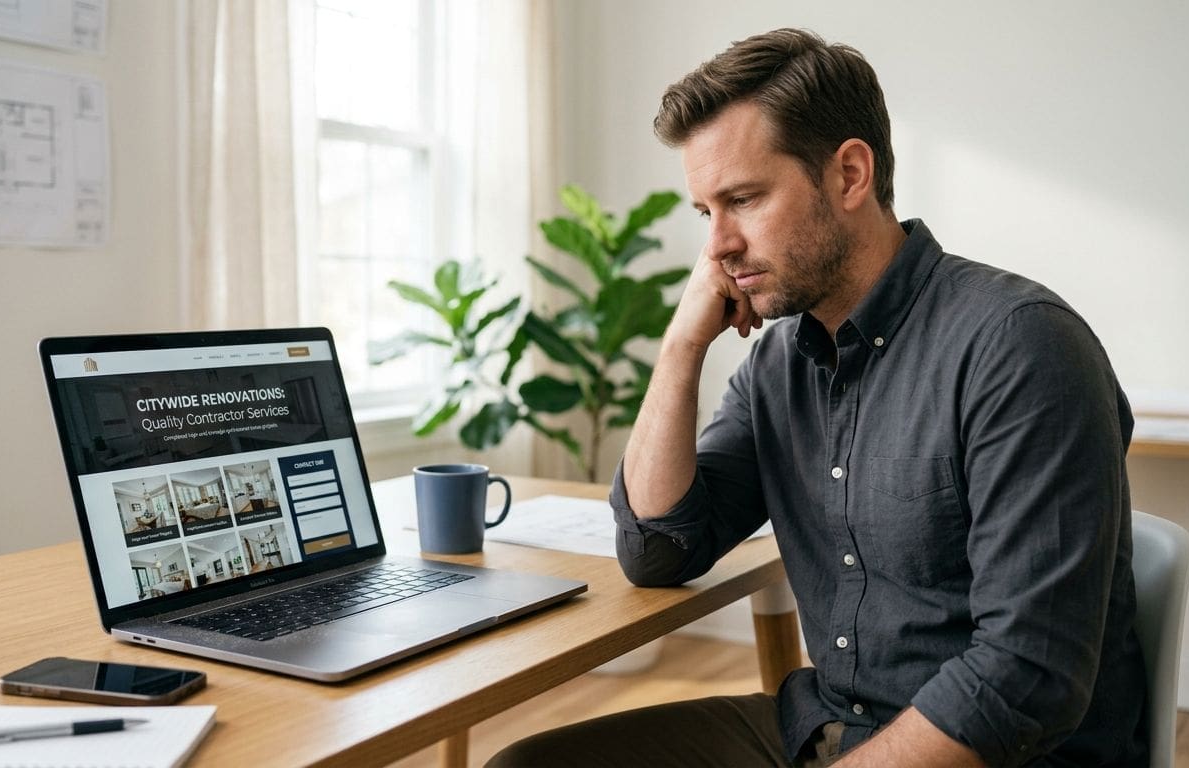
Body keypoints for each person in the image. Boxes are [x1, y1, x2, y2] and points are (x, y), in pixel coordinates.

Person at [488, 27, 1148, 768]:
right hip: (825, 725)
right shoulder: (779, 363)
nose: (718, 247)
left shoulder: (1020, 345)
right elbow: (659, 549)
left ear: (850, 175)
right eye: (707, 212)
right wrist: (679, 350)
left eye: (743, 199)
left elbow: (1027, 678)